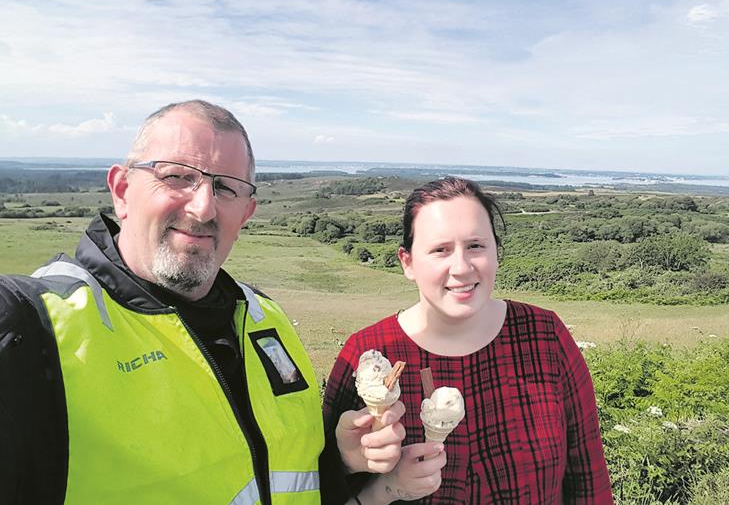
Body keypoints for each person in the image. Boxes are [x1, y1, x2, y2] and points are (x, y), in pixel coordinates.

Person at [0, 100, 406, 504]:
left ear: (246, 213)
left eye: (226, 187)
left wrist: (341, 463)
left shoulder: (266, 318)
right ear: (122, 191)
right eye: (176, 176)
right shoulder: (31, 328)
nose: (204, 206)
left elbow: (280, 476)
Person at [323, 177, 613, 504]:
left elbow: (589, 480)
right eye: (440, 250)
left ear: (496, 252)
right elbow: (318, 484)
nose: (461, 267)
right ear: (408, 262)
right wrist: (349, 465)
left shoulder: (545, 335)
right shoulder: (369, 353)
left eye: (475, 246)